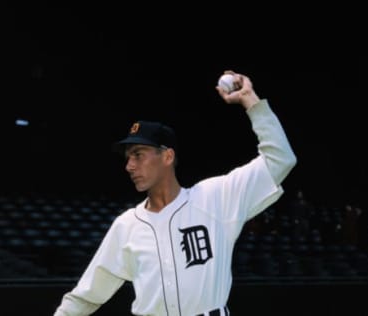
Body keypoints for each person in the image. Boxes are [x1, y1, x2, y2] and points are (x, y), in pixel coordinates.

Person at [53, 70, 297, 316]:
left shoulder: (215, 198)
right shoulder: (126, 225)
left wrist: (250, 100)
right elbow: (86, 296)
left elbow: (280, 159)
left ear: (167, 156)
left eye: (138, 155)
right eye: (128, 159)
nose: (129, 166)